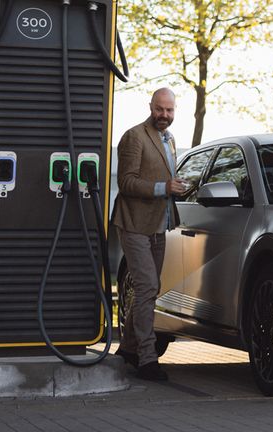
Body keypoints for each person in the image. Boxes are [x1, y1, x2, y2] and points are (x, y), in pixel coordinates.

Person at [112, 88, 185, 381]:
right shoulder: (134, 136)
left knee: (149, 290)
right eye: (160, 109)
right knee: (146, 288)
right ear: (151, 107)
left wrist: (176, 187)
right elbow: (127, 182)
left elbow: (164, 177)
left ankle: (128, 349)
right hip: (133, 223)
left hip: (158, 225)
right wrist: (163, 188)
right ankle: (146, 359)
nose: (164, 116)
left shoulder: (170, 139)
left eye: (169, 111)